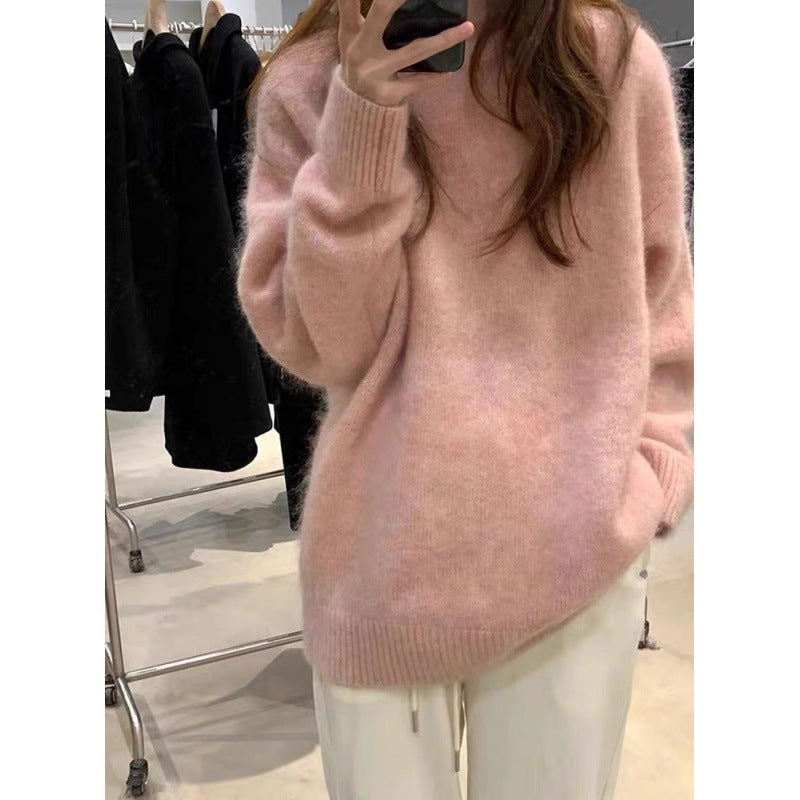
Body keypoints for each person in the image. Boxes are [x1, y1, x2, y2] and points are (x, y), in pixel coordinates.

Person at [237, 0, 694, 796]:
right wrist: (361, 123)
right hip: (379, 559)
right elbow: (323, 347)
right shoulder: (310, 82)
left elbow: (662, 293)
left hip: (579, 549)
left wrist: (656, 460)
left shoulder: (611, 63)